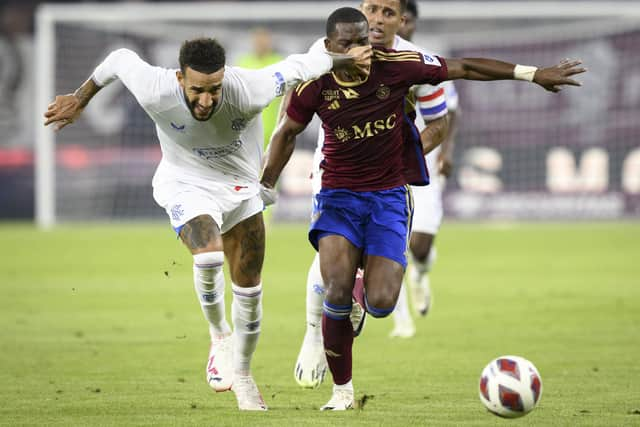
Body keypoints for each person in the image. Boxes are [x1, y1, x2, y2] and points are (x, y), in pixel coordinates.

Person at [260, 6, 584, 411]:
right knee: (336, 287)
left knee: (381, 304)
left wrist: (532, 73)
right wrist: (265, 189)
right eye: (349, 45)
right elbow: (287, 132)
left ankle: (361, 294)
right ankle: (341, 391)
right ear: (329, 47)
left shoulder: (400, 65)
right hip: (338, 196)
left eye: (363, 42)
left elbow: (465, 68)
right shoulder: (313, 78)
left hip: (389, 198)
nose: (360, 51)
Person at [43, 37, 371, 411]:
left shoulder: (249, 89)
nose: (206, 100)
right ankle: (219, 337)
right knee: (208, 257)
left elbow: (305, 64)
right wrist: (80, 97)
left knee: (249, 289)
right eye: (197, 90)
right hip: (185, 184)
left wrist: (347, 59)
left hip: (241, 191)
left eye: (214, 90)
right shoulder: (155, 89)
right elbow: (118, 59)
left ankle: (244, 378)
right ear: (180, 78)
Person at [293, 0, 456, 388]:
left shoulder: (412, 64)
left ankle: (362, 288)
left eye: (387, 11)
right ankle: (314, 333)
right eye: (371, 9)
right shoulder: (327, 50)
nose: (377, 19)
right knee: (332, 258)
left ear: (402, 19)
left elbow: (439, 122)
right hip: (335, 165)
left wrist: (400, 158)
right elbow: (294, 108)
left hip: (388, 175)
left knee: (402, 254)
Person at [390, 0, 461, 338]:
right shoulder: (368, 60)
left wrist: (447, 150)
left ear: (412, 23)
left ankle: (420, 273)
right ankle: (401, 321)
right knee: (390, 246)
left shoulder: (427, 64)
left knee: (419, 247)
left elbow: (451, 113)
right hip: (385, 170)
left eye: (405, 20)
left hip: (425, 167)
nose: (401, 25)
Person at [237, 28, 284, 149]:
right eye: (258, 41)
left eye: (264, 41)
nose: (261, 44)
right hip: (248, 128)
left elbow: (287, 95)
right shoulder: (243, 63)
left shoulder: (279, 63)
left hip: (274, 126)